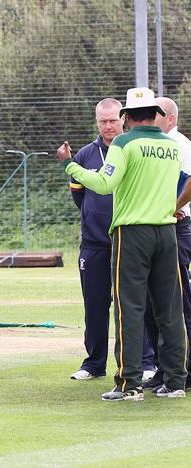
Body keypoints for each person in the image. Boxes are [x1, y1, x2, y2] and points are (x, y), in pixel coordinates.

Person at [57, 87, 187, 401]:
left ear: (126, 117)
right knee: (169, 310)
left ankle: (130, 384)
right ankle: (176, 381)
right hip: (167, 233)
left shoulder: (124, 143)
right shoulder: (171, 146)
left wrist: (70, 165)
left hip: (132, 233)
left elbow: (104, 183)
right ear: (155, 114)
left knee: (129, 307)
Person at [60, 98, 156, 381]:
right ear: (97, 122)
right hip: (94, 244)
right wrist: (95, 216)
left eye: (113, 120)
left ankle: (145, 361)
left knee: (135, 303)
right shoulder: (85, 155)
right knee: (95, 305)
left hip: (129, 240)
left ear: (123, 119)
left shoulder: (134, 149)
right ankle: (93, 363)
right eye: (103, 121)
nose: (108, 126)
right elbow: (80, 196)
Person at [142, 96, 191, 390]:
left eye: (156, 114)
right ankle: (163, 368)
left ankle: (183, 371)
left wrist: (172, 205)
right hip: (155, 229)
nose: (149, 118)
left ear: (170, 118)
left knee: (177, 301)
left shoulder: (180, 146)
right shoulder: (155, 145)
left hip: (177, 227)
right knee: (152, 303)